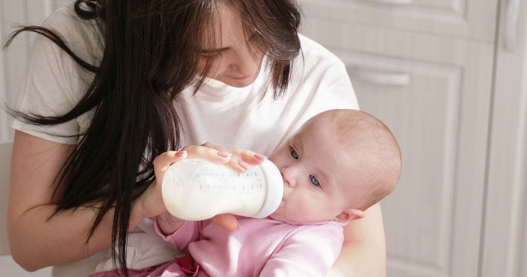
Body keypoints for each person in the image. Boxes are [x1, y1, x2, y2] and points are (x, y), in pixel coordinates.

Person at [4, 0, 388, 276]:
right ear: (150, 37)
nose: (249, 69)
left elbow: (365, 257)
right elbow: (29, 245)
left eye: (260, 35)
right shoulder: (83, 45)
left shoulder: (317, 79)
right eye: (211, 55)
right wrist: (143, 205)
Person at [89, 109, 402, 276]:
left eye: (315, 181)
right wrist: (175, 216)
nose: (289, 174)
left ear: (343, 215)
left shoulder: (313, 240)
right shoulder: (254, 187)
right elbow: (197, 234)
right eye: (294, 152)